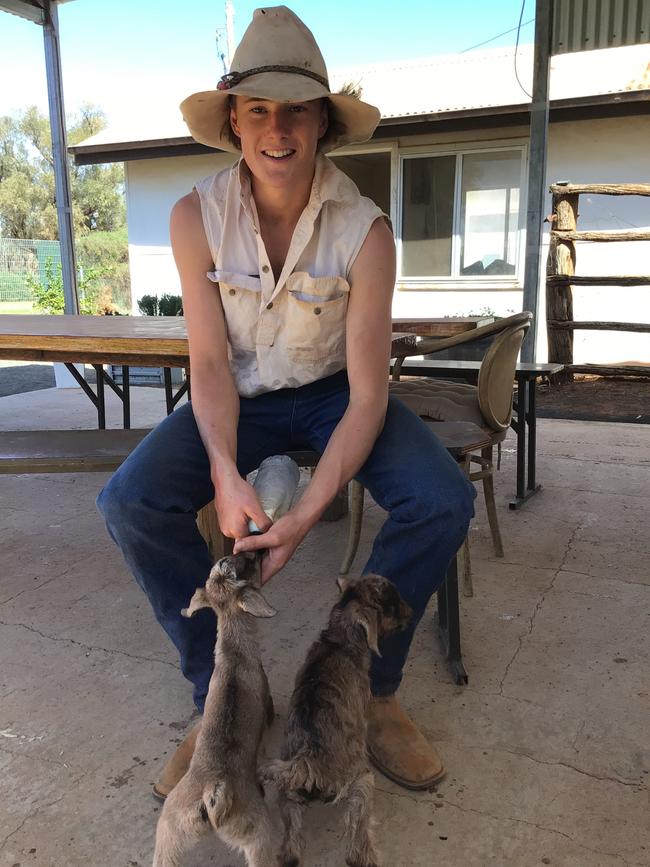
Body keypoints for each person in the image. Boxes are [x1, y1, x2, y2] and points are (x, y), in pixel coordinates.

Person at [97, 5, 475, 799]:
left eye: (295, 109)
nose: (277, 129)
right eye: (258, 109)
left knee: (442, 497)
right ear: (234, 120)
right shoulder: (193, 216)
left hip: (336, 394)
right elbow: (205, 357)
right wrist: (225, 470)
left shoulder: (367, 231)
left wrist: (306, 513)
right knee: (131, 500)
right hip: (240, 393)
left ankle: (368, 690)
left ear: (322, 124)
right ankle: (221, 690)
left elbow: (371, 393)